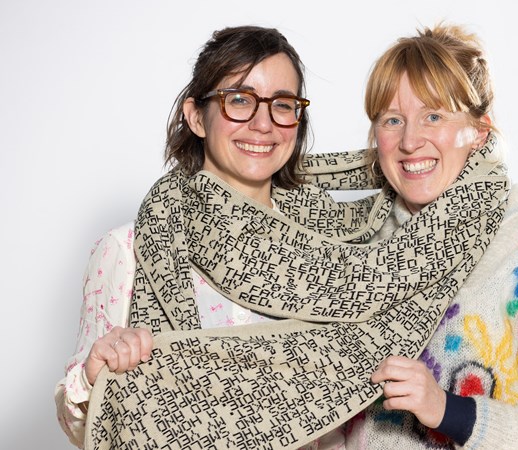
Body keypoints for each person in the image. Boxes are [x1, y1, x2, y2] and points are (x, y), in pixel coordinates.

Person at [54, 25, 345, 449]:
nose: (263, 124)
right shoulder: (127, 251)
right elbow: (78, 422)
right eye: (240, 100)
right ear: (196, 116)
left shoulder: (331, 252)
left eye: (283, 105)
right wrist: (93, 373)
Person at [340, 25, 518, 448]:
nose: (411, 141)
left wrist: (446, 409)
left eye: (434, 116)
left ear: (479, 130)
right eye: (393, 120)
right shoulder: (356, 257)